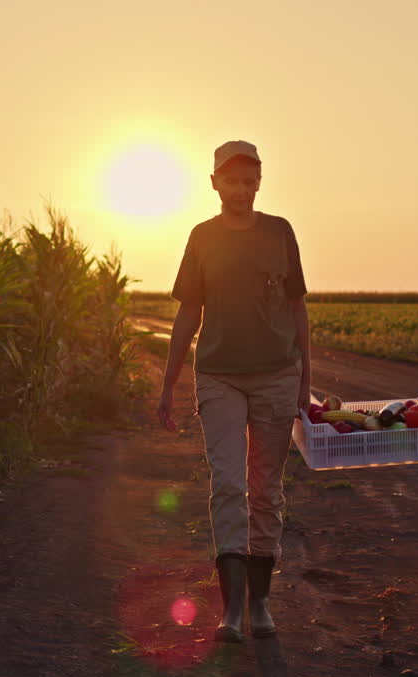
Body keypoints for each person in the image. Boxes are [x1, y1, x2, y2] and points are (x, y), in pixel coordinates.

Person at [157, 140, 312, 642]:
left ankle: (261, 603)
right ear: (215, 183)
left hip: (276, 375)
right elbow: (187, 314)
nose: (241, 189)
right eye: (231, 180)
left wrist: (305, 383)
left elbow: (297, 311)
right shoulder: (202, 237)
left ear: (260, 182)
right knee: (228, 483)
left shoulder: (280, 232)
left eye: (250, 180)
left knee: (265, 489)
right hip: (219, 375)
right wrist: (167, 385)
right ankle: (232, 609)